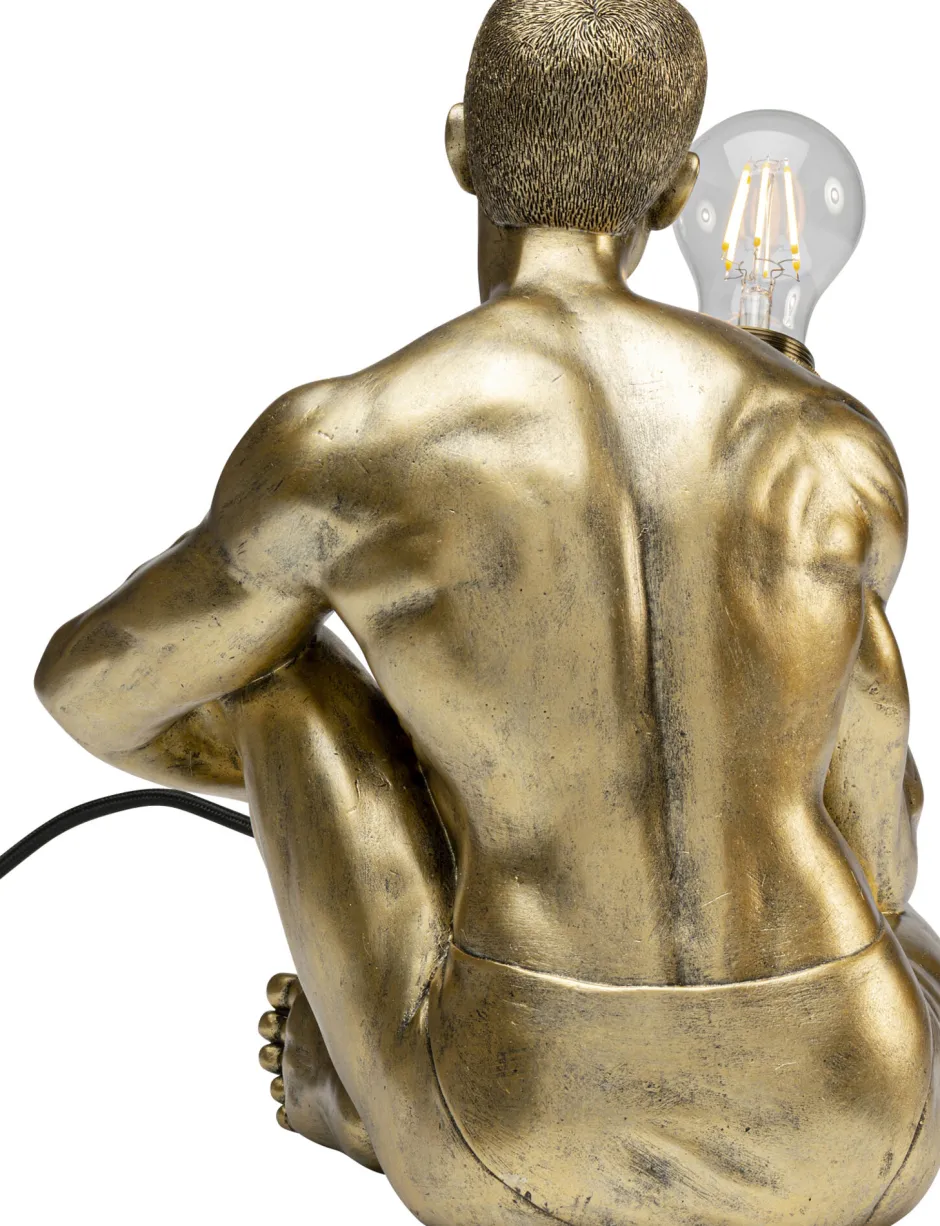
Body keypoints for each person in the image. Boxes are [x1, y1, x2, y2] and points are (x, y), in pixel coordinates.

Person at [35, 2, 940, 1223]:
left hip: (514, 1140)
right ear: (678, 191)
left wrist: (413, 787)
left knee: (267, 668)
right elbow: (883, 857)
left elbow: (92, 692)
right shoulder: (834, 445)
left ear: (460, 145)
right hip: (870, 1131)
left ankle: (367, 1091)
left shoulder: (349, 440)